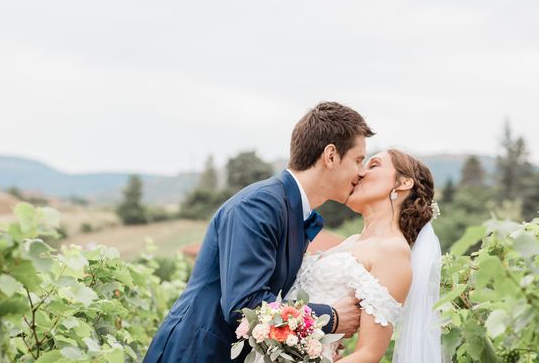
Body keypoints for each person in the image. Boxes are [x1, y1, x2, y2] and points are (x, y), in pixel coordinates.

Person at [143, 102, 375, 363]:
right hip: (196, 352)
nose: (362, 171)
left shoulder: (294, 211)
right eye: (358, 160)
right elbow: (246, 305)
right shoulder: (259, 205)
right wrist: (330, 318)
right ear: (331, 155)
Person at [286, 149, 443, 362]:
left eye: (374, 165)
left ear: (403, 183)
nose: (359, 173)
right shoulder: (352, 241)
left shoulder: (393, 251)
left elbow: (368, 354)